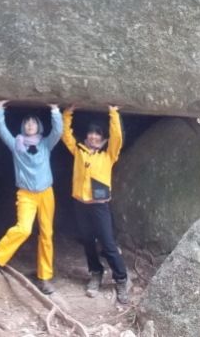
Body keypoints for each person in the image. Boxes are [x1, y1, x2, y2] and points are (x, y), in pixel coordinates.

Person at [0, 100, 63, 295]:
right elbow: (2, 131)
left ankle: (45, 277)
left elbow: (58, 132)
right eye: (26, 122)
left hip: (46, 193)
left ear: (38, 126)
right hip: (26, 194)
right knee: (24, 229)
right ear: (23, 127)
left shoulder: (45, 144)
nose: (29, 125)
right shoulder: (16, 144)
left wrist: (54, 110)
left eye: (33, 122)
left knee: (46, 234)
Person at [61, 105, 130, 304]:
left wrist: (114, 114)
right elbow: (66, 136)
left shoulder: (109, 155)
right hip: (80, 204)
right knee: (88, 242)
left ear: (103, 139)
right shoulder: (79, 151)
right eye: (91, 133)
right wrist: (67, 114)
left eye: (97, 134)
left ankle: (121, 280)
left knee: (108, 244)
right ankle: (96, 273)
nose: (93, 137)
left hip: (99, 206)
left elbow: (117, 138)